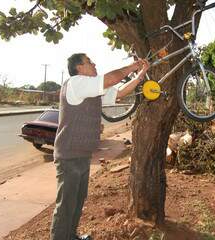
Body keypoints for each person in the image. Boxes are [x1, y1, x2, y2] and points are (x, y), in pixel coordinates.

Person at [50, 53, 149, 240]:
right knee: (65, 205)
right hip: (69, 156)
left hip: (82, 155)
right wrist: (131, 66)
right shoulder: (76, 83)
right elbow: (112, 78)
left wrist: (141, 74)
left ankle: (71, 236)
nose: (94, 64)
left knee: (77, 202)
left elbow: (120, 92)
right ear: (79, 68)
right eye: (89, 62)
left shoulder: (92, 90)